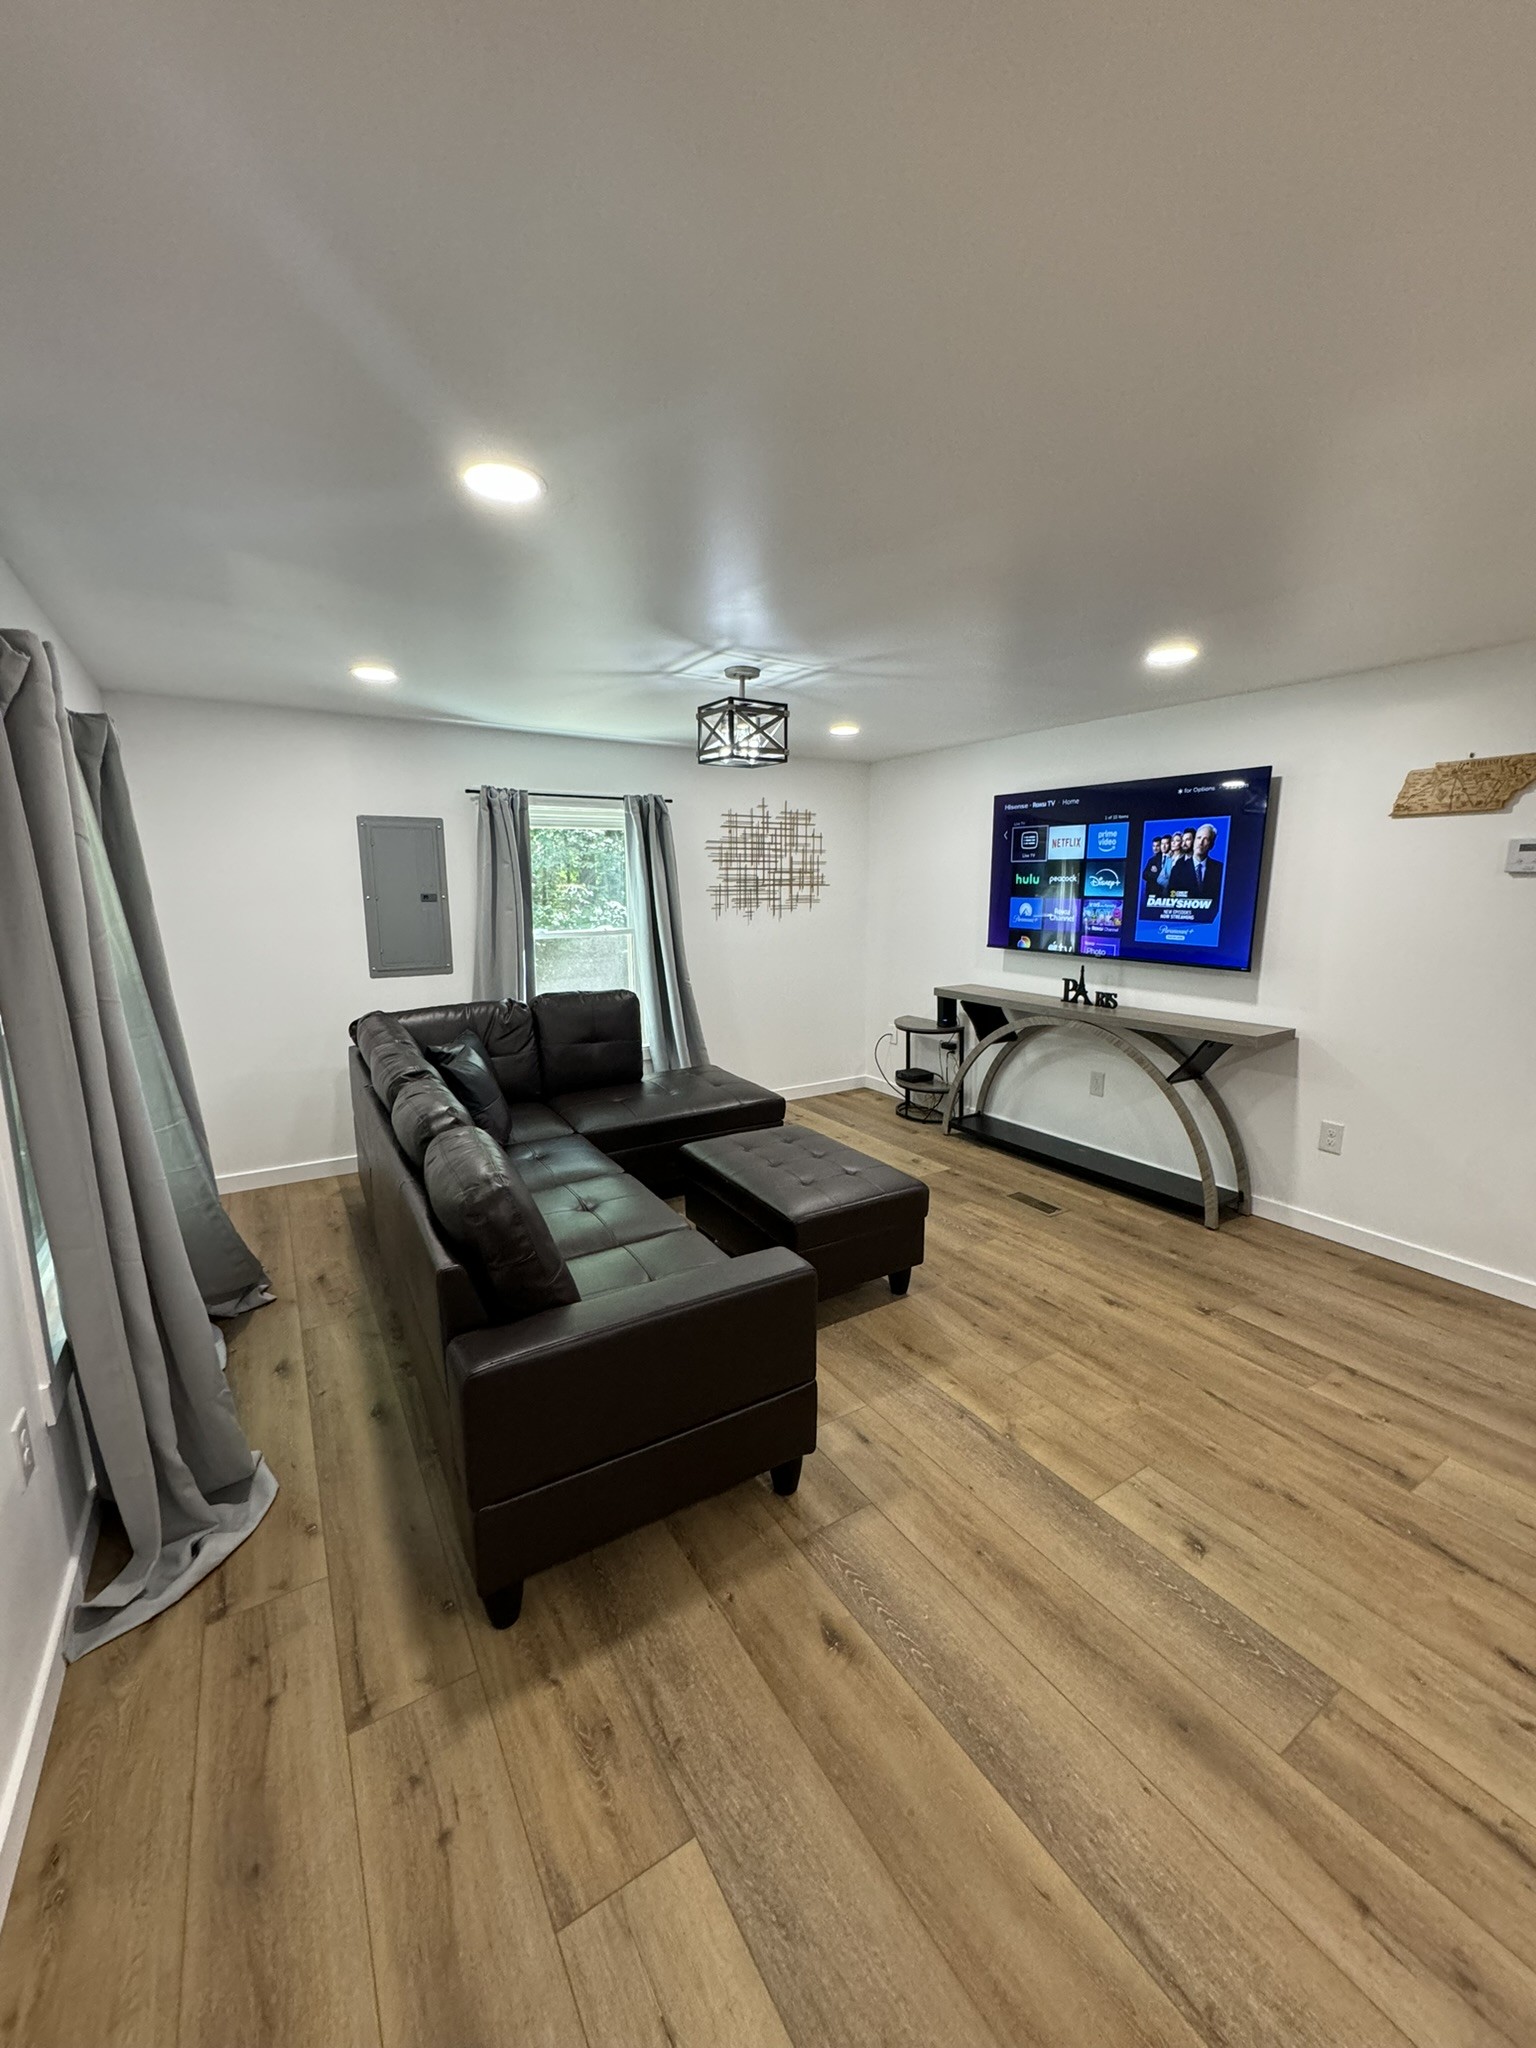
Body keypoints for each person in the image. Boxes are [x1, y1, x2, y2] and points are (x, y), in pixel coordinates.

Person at [1167, 823, 1224, 917]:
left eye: (1206, 839)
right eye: (1198, 838)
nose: (1200, 843)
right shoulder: (1178, 869)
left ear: (1212, 845)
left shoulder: (1220, 869)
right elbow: (1171, 896)